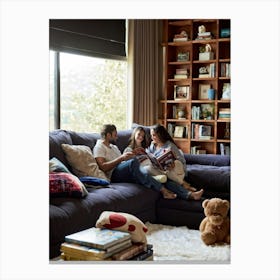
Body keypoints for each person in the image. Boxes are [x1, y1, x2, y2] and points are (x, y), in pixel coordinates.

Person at [93, 124, 177, 199]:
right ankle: (163, 190)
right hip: (113, 175)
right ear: (108, 135)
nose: (117, 137)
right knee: (137, 166)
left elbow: (123, 161)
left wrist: (133, 154)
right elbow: (103, 167)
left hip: (122, 170)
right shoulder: (99, 147)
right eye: (115, 135)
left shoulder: (113, 147)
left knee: (149, 173)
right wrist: (122, 158)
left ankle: (179, 192)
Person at [125, 124, 204, 200]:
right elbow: (148, 156)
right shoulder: (152, 145)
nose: (152, 138)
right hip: (161, 171)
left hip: (174, 171)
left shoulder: (170, 145)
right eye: (151, 135)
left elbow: (181, 161)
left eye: (154, 135)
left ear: (160, 135)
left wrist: (173, 162)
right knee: (161, 177)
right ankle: (190, 194)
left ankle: (182, 183)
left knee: (172, 167)